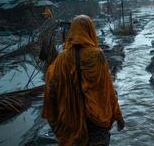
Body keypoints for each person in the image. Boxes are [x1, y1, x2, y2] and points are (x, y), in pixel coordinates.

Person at [42, 15, 124, 146]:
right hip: (97, 122)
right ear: (90, 30)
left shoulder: (62, 58)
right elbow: (107, 89)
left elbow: (51, 88)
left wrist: (55, 122)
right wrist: (117, 114)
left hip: (70, 122)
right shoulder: (97, 55)